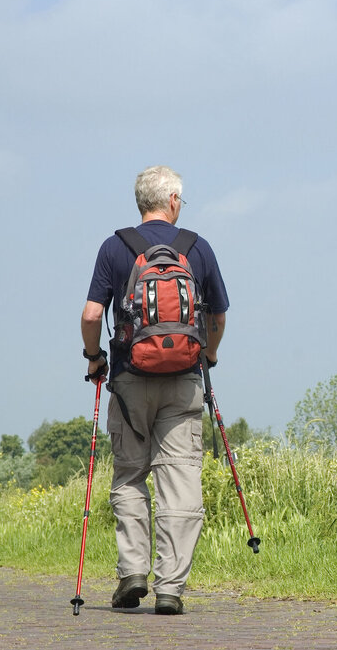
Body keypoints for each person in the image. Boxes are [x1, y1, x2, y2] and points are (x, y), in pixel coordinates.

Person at [80, 165, 229, 615]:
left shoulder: (114, 247)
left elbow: (91, 316)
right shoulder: (196, 249)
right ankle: (170, 588)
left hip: (128, 381)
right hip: (183, 382)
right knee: (180, 481)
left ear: (141, 202)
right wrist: (210, 355)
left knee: (130, 475)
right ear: (174, 201)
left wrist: (94, 358)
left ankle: (132, 573)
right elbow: (219, 317)